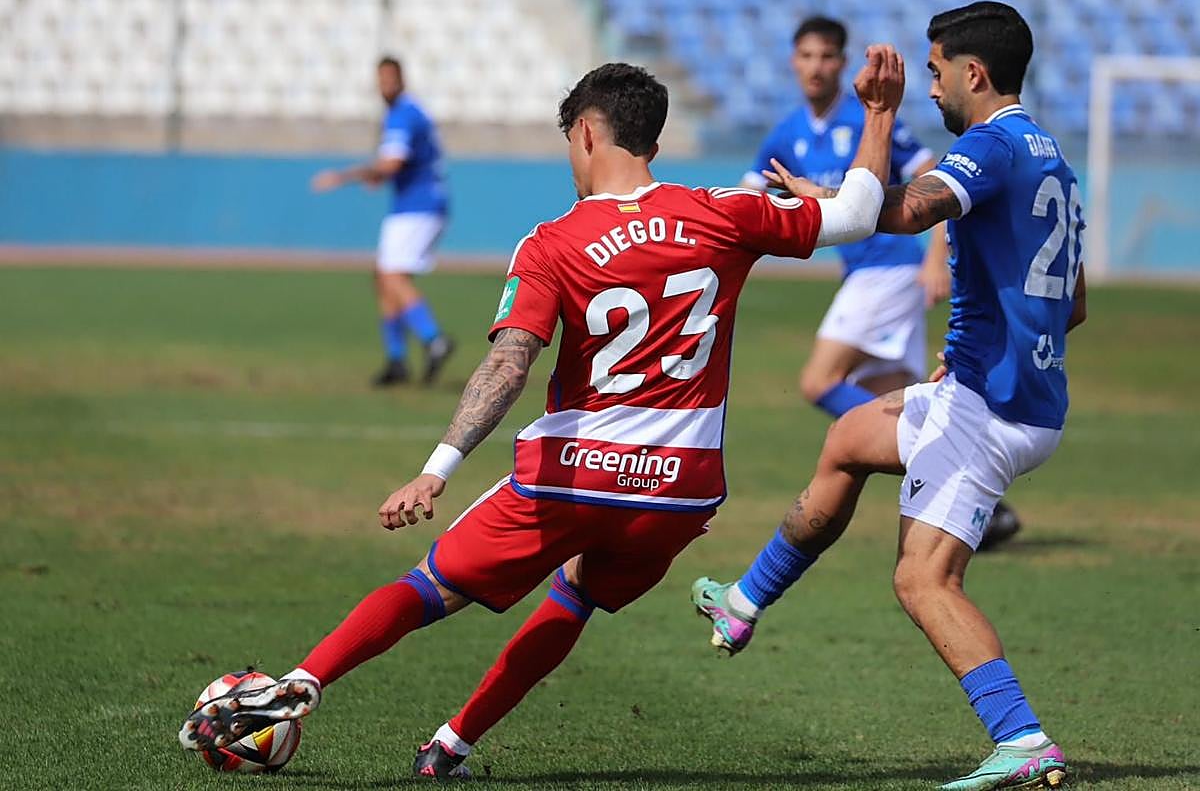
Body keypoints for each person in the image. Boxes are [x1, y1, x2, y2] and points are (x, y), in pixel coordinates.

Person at [179, 49, 906, 778]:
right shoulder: (722, 212)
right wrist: (878, 113)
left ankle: (298, 685)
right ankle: (451, 746)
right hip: (680, 492)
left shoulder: (553, 242)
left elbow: (508, 363)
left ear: (587, 135)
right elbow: (859, 213)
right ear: (650, 139)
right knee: (578, 595)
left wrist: (437, 469)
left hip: (571, 479)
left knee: (428, 588)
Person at [693, 2, 1084, 790]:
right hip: (1006, 391)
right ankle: (743, 599)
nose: (930, 87)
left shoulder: (991, 145)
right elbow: (1072, 304)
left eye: (936, 71)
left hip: (991, 409)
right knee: (849, 441)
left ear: (973, 73)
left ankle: (1024, 740)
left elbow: (902, 214)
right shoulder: (1053, 159)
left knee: (921, 580)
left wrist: (876, 117)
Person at [746, 16, 1020, 550]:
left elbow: (936, 179)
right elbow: (748, 196)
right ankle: (979, 507)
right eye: (806, 56)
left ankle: (957, 483)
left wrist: (936, 256)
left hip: (889, 268)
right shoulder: (787, 132)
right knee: (890, 405)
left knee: (818, 381)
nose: (816, 67)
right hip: (865, 274)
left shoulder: (868, 118)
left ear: (842, 63)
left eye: (827, 56)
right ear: (792, 62)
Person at [311, 56, 454, 386]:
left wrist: (343, 176)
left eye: (390, 78)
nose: (385, 85)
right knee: (384, 275)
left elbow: (391, 163)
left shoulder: (403, 114)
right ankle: (397, 361)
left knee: (390, 275)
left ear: (402, 79)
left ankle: (434, 339)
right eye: (381, 79)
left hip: (419, 205)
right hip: (417, 202)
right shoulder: (406, 112)